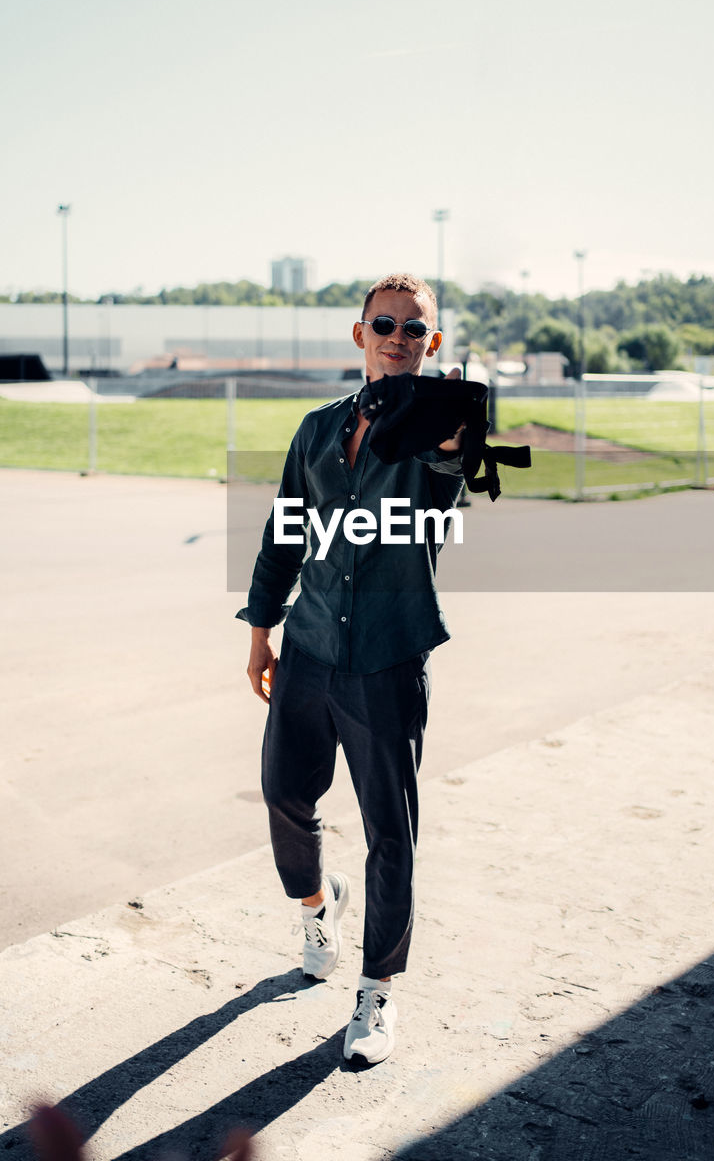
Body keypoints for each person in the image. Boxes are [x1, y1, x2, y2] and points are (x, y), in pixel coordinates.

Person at [237, 272, 464, 1066]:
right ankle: (315, 906)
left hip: (385, 659)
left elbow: (451, 470)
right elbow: (283, 531)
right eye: (385, 325)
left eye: (415, 331)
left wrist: (447, 439)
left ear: (431, 345)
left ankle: (378, 993)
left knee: (388, 835)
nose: (399, 338)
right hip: (306, 647)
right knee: (283, 792)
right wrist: (261, 629)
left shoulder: (434, 424)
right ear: (359, 333)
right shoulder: (315, 429)